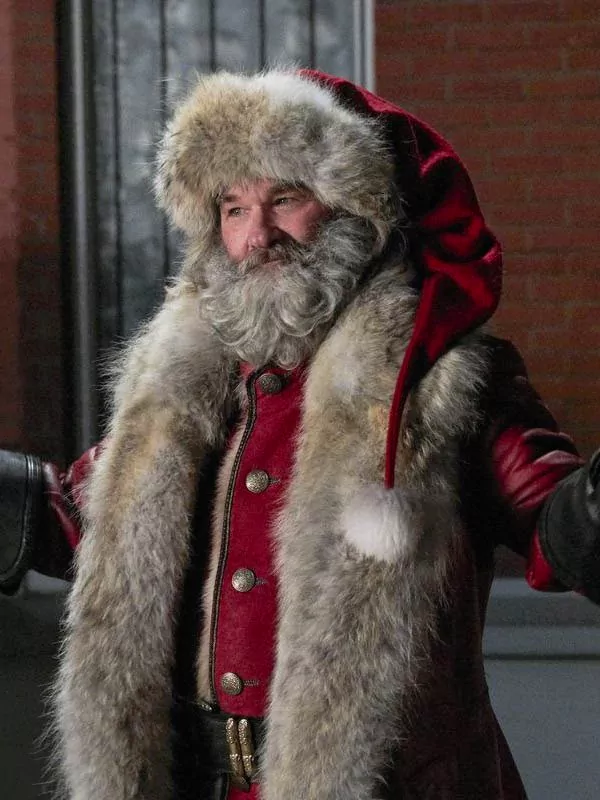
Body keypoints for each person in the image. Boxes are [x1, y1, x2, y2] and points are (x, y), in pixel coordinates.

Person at [0, 68, 599, 799]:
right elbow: (77, 516)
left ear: (351, 207)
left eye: (285, 199)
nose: (257, 237)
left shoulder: (436, 373)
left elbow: (551, 517)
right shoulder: (181, 387)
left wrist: (586, 509)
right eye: (233, 208)